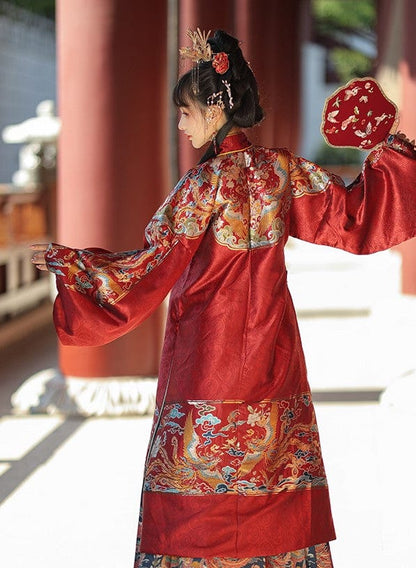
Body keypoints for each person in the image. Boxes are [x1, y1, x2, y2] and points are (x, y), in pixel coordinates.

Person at [32, 29, 416, 568]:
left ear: (214, 110)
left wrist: (76, 267)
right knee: (275, 477)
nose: (181, 124)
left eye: (185, 112)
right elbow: (357, 220)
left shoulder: (201, 186)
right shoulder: (283, 171)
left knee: (195, 496)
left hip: (206, 361)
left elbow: (150, 268)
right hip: (272, 356)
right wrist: (388, 151)